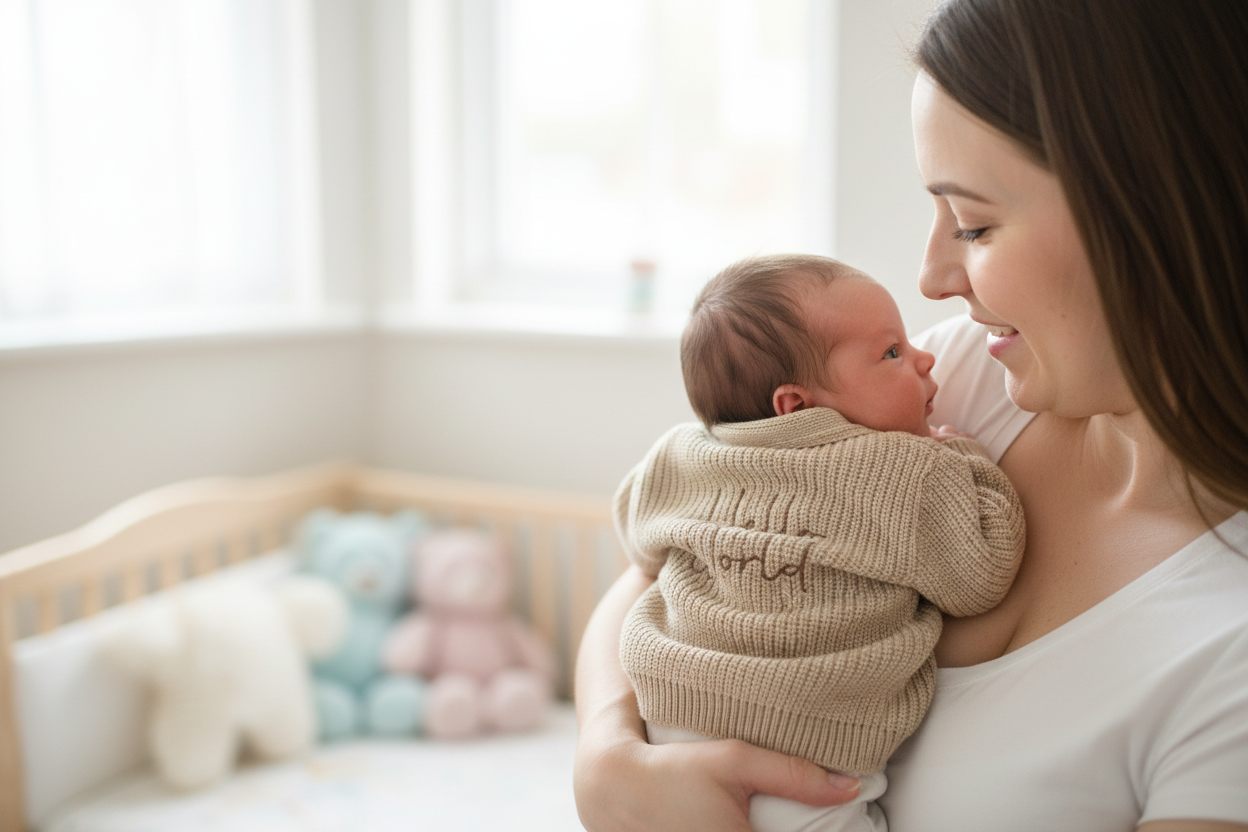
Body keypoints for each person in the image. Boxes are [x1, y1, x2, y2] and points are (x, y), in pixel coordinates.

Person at [572, 0, 1248, 829]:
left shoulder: (1226, 658)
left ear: (1158, 211)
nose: (932, 277)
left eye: (973, 224)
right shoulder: (958, 374)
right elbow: (657, 568)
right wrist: (607, 756)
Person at [616, 254, 1026, 832]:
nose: (925, 357)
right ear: (796, 405)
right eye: (891, 353)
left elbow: (638, 541)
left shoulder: (683, 453)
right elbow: (981, 573)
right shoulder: (904, 472)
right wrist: (962, 457)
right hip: (809, 747)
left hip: (668, 715)